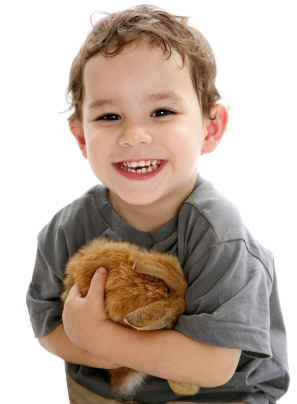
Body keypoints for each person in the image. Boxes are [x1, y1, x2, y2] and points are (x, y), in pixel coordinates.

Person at [26, 4, 289, 404]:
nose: (135, 135)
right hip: (107, 392)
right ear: (81, 137)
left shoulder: (218, 234)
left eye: (161, 112)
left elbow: (213, 366)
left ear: (210, 127)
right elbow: (47, 325)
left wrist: (102, 337)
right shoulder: (68, 227)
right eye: (110, 116)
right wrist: (94, 347)